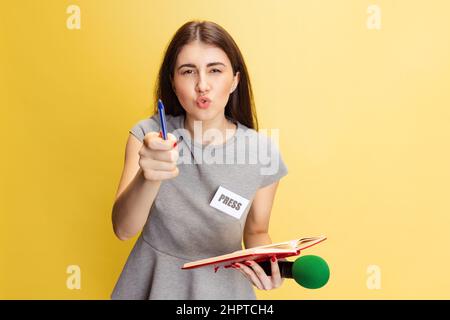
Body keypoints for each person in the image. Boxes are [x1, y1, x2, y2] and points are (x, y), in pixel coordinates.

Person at [111, 20, 288, 300]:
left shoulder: (263, 151)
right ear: (172, 80)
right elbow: (123, 229)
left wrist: (268, 264)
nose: (202, 85)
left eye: (215, 70)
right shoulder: (148, 136)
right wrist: (148, 176)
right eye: (188, 71)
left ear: (235, 81)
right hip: (153, 284)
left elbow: (256, 230)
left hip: (224, 289)